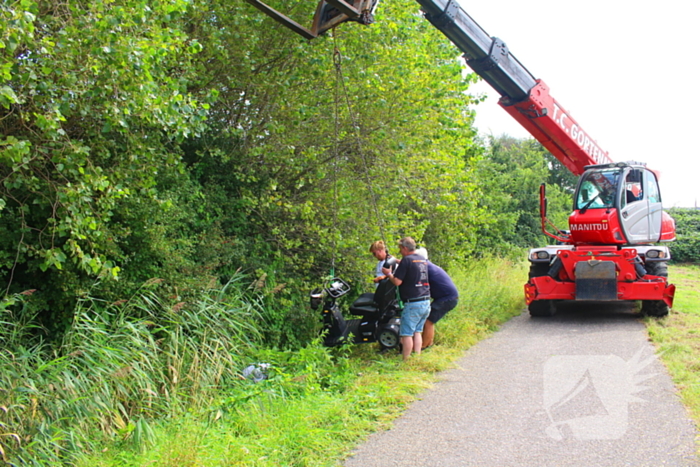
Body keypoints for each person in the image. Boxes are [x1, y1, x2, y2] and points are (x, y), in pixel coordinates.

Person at [382, 237, 430, 360]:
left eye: (400, 249)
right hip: (425, 301)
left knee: (406, 334)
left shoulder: (406, 260)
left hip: (413, 303)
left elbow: (397, 282)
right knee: (417, 331)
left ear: (404, 248)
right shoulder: (422, 259)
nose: (400, 252)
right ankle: (417, 357)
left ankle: (406, 360)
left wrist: (388, 274)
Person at [412, 247, 459, 349]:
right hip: (447, 297)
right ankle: (428, 343)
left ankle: (424, 346)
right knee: (429, 319)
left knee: (428, 321)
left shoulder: (424, 268)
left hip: (447, 299)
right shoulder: (428, 266)